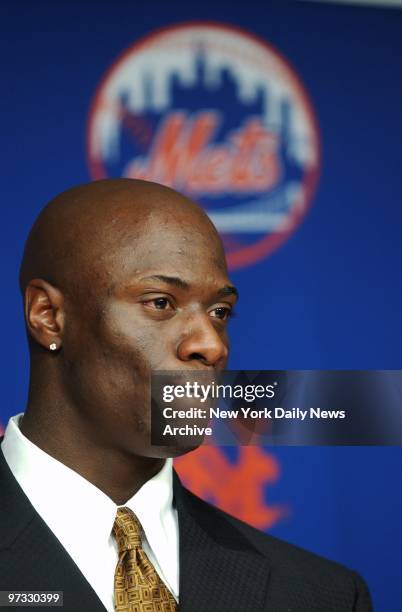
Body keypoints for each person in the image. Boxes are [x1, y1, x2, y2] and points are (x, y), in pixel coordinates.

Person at [0, 179, 372, 611]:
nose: (212, 345)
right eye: (161, 303)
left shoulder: (323, 597)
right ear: (48, 316)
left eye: (220, 312)